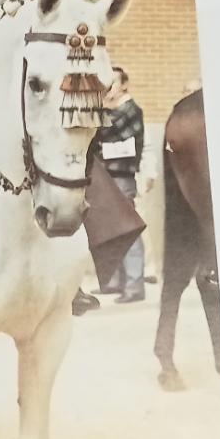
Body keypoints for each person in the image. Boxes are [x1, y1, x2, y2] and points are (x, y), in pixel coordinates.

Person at [94, 66, 147, 302]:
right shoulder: (114, 111)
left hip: (121, 176)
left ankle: (134, 286)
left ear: (124, 85)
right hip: (109, 175)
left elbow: (108, 131)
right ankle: (114, 281)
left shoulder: (130, 110)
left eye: (112, 82)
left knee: (128, 229)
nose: (107, 88)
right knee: (111, 228)